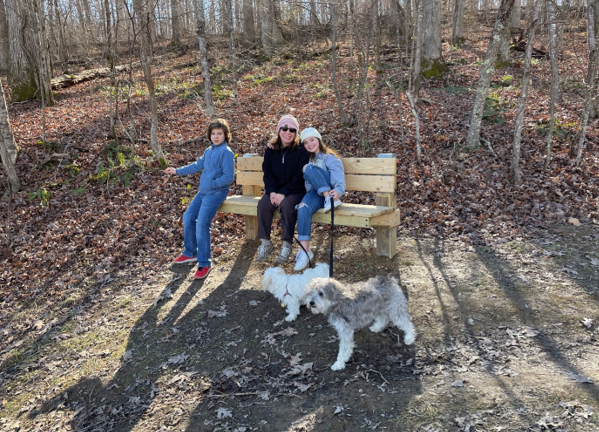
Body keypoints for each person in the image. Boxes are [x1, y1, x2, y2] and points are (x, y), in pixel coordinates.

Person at [164, 118, 235, 279]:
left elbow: (228, 177)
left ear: (225, 135)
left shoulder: (226, 153)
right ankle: (190, 252)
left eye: (219, 134)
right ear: (209, 135)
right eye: (213, 134)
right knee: (188, 217)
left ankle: (205, 263)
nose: (216, 136)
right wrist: (177, 171)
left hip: (216, 193)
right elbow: (197, 165)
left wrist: (212, 183)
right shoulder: (209, 151)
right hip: (203, 192)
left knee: (202, 224)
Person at [256, 115, 310, 264]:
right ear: (279, 130)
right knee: (263, 204)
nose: (288, 132)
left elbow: (300, 176)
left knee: (287, 205)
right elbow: (268, 173)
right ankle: (266, 243)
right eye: (284, 128)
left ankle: (287, 245)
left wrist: (283, 193)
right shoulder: (271, 150)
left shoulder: (301, 150)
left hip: (295, 190)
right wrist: (273, 192)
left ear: (296, 132)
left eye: (292, 130)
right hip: (275, 190)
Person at [294, 127, 345, 271]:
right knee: (303, 207)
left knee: (308, 169)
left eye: (312, 140)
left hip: (330, 190)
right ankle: (305, 251)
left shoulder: (329, 158)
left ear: (319, 139)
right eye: (306, 142)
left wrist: (338, 192)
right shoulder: (306, 159)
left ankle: (329, 197)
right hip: (316, 194)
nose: (310, 144)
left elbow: (338, 179)